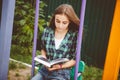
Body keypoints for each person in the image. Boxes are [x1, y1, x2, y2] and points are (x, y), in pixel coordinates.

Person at [31, 4, 80, 80]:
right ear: (54, 19)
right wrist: (44, 58)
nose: (60, 26)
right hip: (44, 70)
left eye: (64, 23)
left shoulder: (74, 35)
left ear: (70, 21)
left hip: (61, 73)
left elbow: (75, 60)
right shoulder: (47, 31)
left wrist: (60, 66)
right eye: (57, 21)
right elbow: (43, 48)